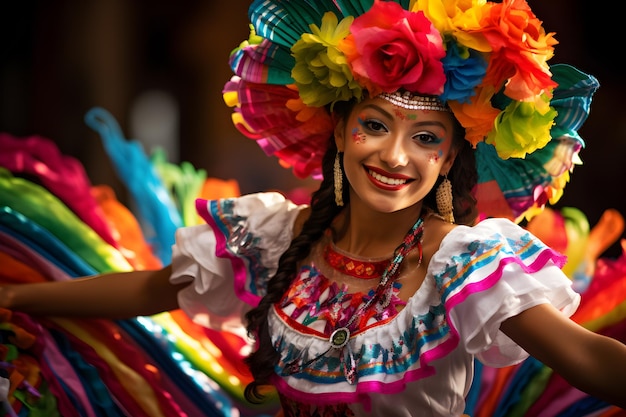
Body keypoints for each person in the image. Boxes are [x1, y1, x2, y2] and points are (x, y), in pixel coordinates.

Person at [1, 0, 626, 415]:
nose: (397, 156)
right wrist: (19, 300)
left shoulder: (466, 261)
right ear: (338, 130)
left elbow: (588, 357)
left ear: (449, 162)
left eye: (427, 138)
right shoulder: (275, 236)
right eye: (375, 125)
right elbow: (150, 292)